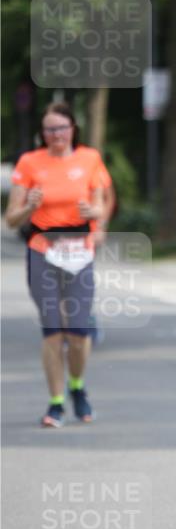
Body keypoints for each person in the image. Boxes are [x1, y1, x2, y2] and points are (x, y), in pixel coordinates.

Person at [5, 102, 110, 427]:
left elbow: (101, 203)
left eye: (62, 128)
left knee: (78, 333)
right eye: (50, 129)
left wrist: (98, 218)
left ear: (72, 129)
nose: (56, 135)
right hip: (42, 249)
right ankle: (55, 402)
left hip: (79, 250)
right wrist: (29, 206)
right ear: (42, 132)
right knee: (52, 331)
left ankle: (77, 386)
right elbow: (10, 219)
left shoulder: (89, 158)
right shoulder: (29, 162)